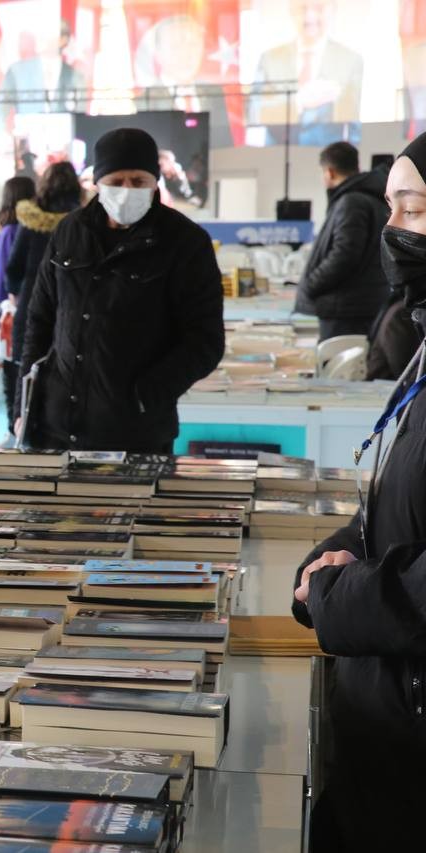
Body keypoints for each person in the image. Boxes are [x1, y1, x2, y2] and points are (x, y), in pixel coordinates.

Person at [290, 131, 426, 853]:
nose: (394, 230)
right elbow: (402, 505)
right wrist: (331, 557)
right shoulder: (423, 338)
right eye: (390, 208)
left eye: (413, 208)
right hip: (385, 729)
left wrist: (341, 597)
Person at [20, 128, 223, 452]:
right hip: (56, 429)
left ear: (155, 182)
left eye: (138, 181)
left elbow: (205, 340)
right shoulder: (69, 231)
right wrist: (25, 404)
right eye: (116, 182)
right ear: (98, 183)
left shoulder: (185, 242)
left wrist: (146, 395)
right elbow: (39, 320)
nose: (127, 190)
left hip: (136, 435)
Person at [7, 163, 82, 444]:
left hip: (30, 302)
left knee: (26, 364)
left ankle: (20, 426)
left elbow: (13, 267)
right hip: (72, 305)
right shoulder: (83, 221)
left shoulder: (30, 222)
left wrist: (14, 294)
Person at [295, 141, 390, 340]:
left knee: (337, 369)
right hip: (361, 303)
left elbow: (344, 255)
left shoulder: (351, 202)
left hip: (346, 310)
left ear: (329, 172)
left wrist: (310, 285)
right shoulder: (368, 197)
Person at [250, 0, 362, 146]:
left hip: (328, 156)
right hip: (276, 154)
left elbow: (353, 124)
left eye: (318, 8)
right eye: (303, 8)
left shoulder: (350, 59)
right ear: (292, 11)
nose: (309, 16)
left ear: (332, 10)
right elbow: (253, 112)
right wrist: (299, 101)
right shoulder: (270, 58)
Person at [0, 176, 37, 445]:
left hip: (12, 314)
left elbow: (3, 280)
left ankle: (12, 429)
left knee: (12, 374)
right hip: (38, 310)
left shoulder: (9, 232)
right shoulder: (40, 229)